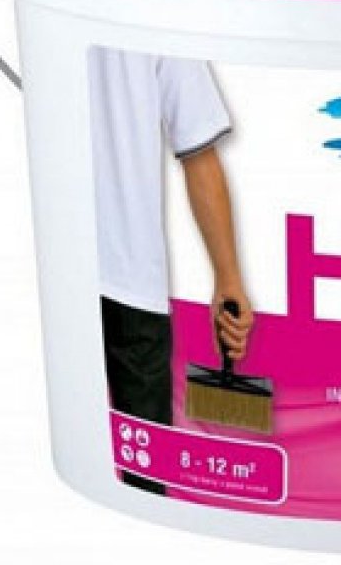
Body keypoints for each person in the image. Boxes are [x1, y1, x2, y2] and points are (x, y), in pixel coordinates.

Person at [88, 47, 254, 495]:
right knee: (143, 482)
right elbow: (197, 150)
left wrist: (228, 278)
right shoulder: (159, 15)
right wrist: (228, 279)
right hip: (126, 278)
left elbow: (197, 149)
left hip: (71, 270)